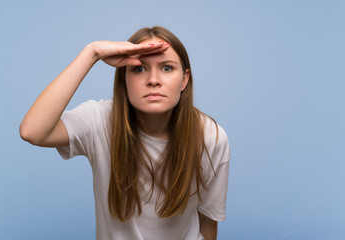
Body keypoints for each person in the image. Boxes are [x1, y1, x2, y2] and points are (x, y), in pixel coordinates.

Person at [20, 26, 231, 240]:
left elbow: (207, 222)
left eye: (167, 68)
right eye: (139, 69)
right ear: (124, 78)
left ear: (184, 79)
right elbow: (32, 131)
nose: (153, 80)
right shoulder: (99, 120)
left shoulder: (211, 137)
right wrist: (91, 53)